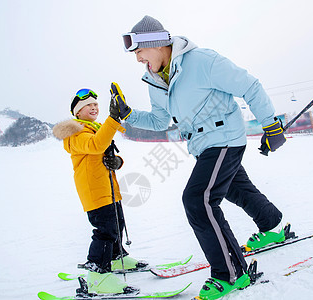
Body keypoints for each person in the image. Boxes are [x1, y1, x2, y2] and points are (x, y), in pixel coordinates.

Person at [112, 15, 287, 299]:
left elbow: (249, 85)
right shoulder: (155, 79)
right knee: (234, 189)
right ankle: (271, 224)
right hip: (202, 146)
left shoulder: (202, 61)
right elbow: (159, 121)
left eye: (140, 53)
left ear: (154, 44)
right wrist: (128, 114)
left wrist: (271, 124)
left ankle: (230, 273)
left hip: (225, 139)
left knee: (198, 199)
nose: (138, 60)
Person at [52, 88, 143, 296]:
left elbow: (103, 153)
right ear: (77, 112)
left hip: (108, 188)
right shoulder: (76, 133)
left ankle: (116, 256)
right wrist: (113, 119)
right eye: (88, 106)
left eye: (95, 104)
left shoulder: (95, 128)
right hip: (94, 191)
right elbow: (95, 146)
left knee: (117, 223)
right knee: (105, 230)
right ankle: (97, 274)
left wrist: (117, 162)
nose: (93, 107)